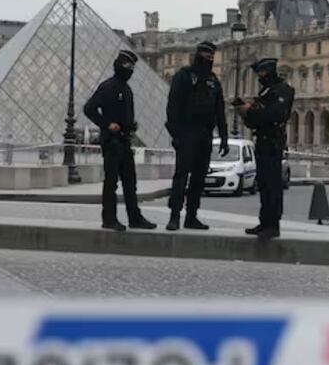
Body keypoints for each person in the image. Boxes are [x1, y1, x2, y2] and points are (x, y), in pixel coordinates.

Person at [83, 49, 157, 231]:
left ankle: (135, 218)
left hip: (124, 140)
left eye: (132, 66)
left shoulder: (127, 89)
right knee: (111, 182)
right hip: (112, 141)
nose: (130, 69)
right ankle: (109, 219)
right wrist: (107, 124)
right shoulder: (108, 86)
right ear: (119, 64)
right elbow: (89, 108)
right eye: (127, 65)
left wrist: (131, 125)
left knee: (130, 182)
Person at [164, 41, 228, 231]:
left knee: (199, 178)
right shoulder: (183, 76)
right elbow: (172, 106)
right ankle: (174, 216)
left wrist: (223, 136)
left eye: (211, 56)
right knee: (181, 176)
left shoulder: (214, 80)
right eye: (206, 55)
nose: (209, 58)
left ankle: (191, 216)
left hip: (205, 133)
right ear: (198, 55)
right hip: (186, 131)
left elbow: (220, 110)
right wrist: (175, 134)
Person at [238, 58, 295, 239]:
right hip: (262, 140)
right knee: (263, 183)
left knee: (272, 185)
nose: (259, 77)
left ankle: (273, 225)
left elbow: (275, 115)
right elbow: (256, 120)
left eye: (261, 73)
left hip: (273, 142)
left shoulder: (283, 90)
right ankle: (264, 222)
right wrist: (246, 114)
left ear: (269, 71)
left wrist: (251, 112)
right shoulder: (266, 91)